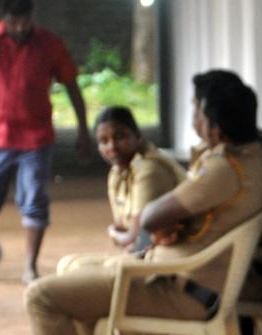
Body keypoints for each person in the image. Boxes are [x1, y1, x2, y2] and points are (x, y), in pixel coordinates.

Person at [25, 70, 262, 335]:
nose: (192, 117)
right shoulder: (256, 152)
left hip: (180, 288)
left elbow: (148, 217)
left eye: (196, 109)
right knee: (72, 271)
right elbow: (160, 221)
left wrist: (160, 224)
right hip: (175, 273)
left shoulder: (226, 168)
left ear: (214, 125)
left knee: (42, 297)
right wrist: (164, 226)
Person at [0, 0, 91, 284]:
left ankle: (31, 265)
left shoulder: (49, 44)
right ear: (2, 19)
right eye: (12, 21)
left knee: (35, 201)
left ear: (31, 16)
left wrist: (83, 129)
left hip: (35, 139)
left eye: (24, 20)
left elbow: (71, 86)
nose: (19, 27)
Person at [55, 106, 186, 274]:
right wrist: (123, 237)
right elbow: (125, 230)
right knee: (67, 264)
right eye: (104, 141)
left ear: (137, 136)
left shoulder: (149, 170)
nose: (112, 146)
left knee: (73, 272)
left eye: (119, 137)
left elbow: (135, 238)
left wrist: (114, 235)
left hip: (163, 261)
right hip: (142, 254)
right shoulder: (117, 172)